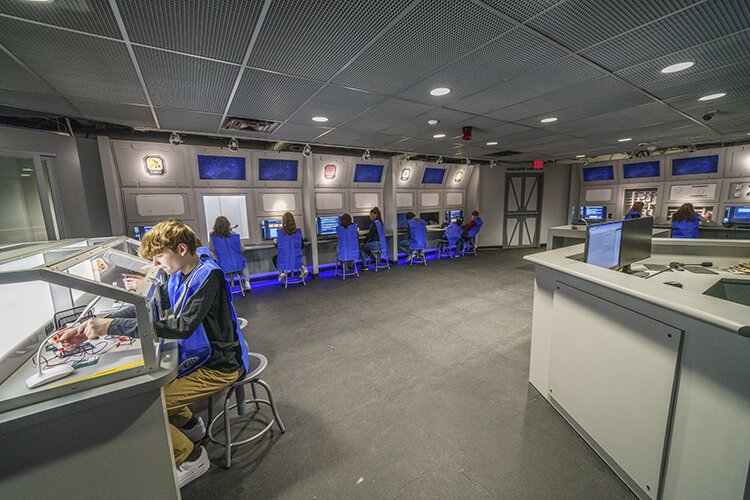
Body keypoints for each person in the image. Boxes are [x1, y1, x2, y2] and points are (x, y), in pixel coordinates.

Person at [60, 219, 250, 488]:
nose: (155, 265)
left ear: (181, 249)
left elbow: (182, 326)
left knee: (148, 407)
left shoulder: (208, 276)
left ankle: (192, 457)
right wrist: (98, 322)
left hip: (220, 366)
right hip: (203, 359)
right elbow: (151, 308)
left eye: (158, 257)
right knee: (154, 392)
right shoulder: (179, 275)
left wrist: (111, 327)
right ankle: (192, 427)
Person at [209, 216, 251, 291]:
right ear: (228, 224)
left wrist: (216, 258)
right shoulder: (235, 235)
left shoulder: (213, 237)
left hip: (222, 265)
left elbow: (211, 250)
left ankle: (222, 287)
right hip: (238, 264)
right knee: (244, 262)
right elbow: (243, 249)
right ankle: (247, 282)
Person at [272, 211, 307, 281]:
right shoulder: (298, 232)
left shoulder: (281, 233)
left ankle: (281, 273)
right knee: (295, 257)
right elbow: (302, 246)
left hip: (285, 260)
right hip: (296, 259)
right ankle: (303, 268)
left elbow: (279, 248)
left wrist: (275, 243)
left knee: (275, 258)